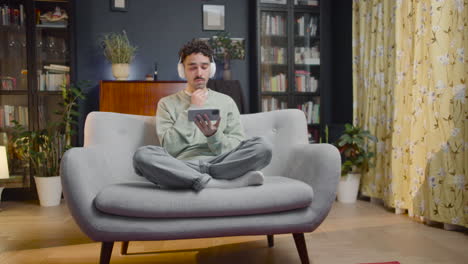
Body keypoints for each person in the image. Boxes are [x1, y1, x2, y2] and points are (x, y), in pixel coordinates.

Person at [133, 39, 272, 191]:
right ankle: (217, 183)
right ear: (182, 70)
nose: (199, 73)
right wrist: (192, 108)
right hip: (183, 164)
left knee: (263, 147)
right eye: (192, 67)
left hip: (221, 162)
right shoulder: (166, 104)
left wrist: (213, 136)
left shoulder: (226, 102)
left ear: (210, 70)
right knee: (143, 156)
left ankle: (192, 180)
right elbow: (170, 148)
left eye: (204, 67)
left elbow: (235, 147)